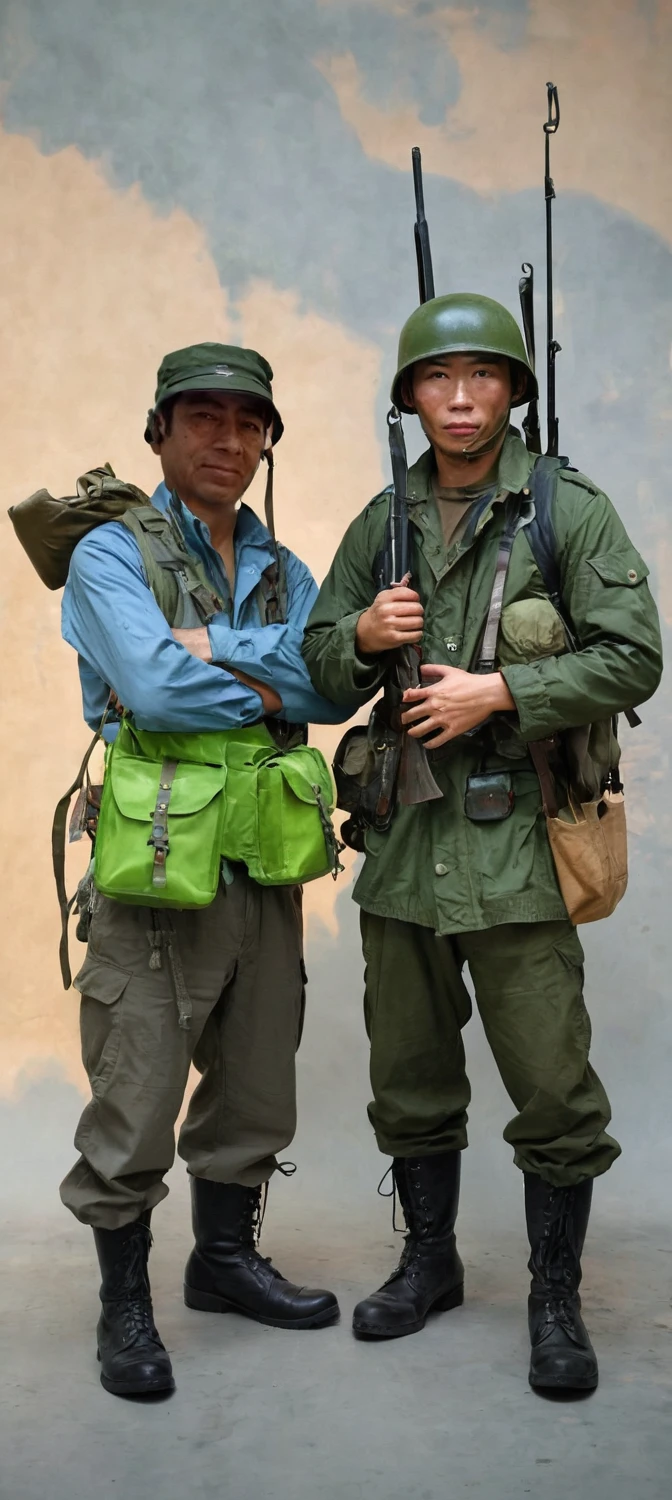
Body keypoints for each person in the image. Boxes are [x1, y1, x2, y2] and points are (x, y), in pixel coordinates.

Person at [302, 294, 663, 1392]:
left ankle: (557, 1296)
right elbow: (319, 671)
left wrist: (504, 689)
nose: (461, 400)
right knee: (409, 1079)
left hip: (520, 853)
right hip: (407, 851)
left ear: (515, 391)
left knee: (553, 1091)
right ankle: (429, 1263)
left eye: (484, 377)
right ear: (409, 397)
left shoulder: (565, 510)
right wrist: (362, 635)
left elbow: (634, 657)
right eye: (438, 379)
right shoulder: (383, 523)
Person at [60, 343, 347, 1397]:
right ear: (160, 432)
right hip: (157, 853)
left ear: (267, 441)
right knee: (136, 1087)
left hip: (263, 858)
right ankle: (123, 1306)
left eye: (249, 423)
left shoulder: (289, 569)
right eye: (204, 419)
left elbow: (332, 688)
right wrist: (265, 679)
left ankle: (223, 1263)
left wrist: (218, 652)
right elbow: (155, 691)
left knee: (258, 1076)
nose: (228, 441)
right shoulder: (107, 554)